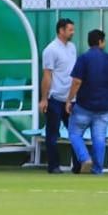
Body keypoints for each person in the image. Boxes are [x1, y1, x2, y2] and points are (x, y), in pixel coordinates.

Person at [65, 29, 108, 175]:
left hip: (84, 105)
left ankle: (85, 158)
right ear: (101, 42)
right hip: (105, 106)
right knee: (99, 137)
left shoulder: (83, 58)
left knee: (75, 133)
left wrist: (70, 99)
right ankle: (97, 169)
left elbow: (77, 81)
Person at [39, 17, 77, 174]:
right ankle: (54, 166)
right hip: (55, 99)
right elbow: (47, 75)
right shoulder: (50, 50)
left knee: (75, 133)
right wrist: (44, 99)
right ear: (61, 30)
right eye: (70, 30)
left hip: (71, 99)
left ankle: (79, 165)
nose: (73, 32)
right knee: (52, 134)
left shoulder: (72, 47)